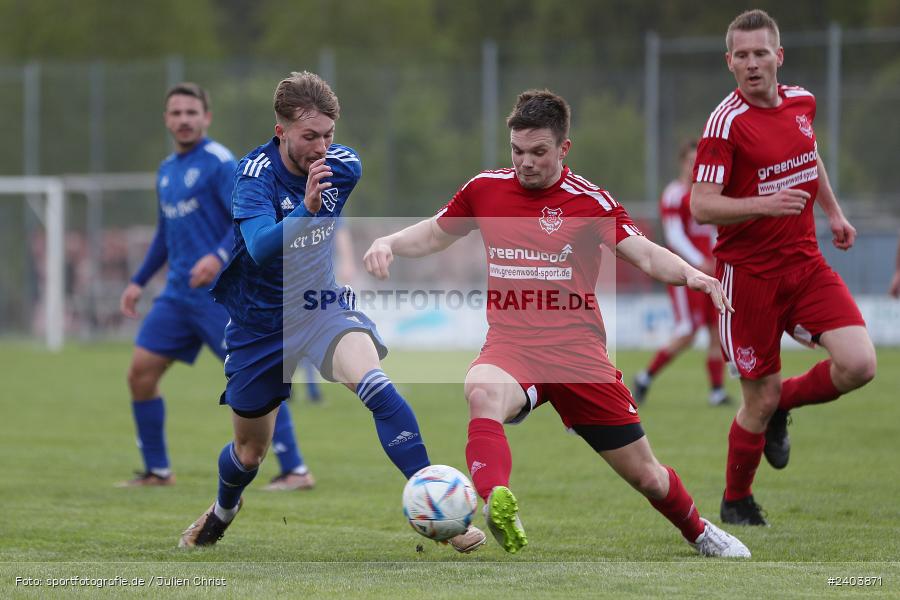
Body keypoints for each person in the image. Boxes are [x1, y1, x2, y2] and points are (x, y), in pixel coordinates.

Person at [363, 89, 750, 558]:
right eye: (517, 151)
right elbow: (433, 232)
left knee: (646, 475)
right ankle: (494, 499)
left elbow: (644, 252)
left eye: (539, 152)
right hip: (511, 346)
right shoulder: (485, 189)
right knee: (481, 391)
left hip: (578, 356)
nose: (526, 162)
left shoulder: (589, 202)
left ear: (564, 148)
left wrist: (693, 274)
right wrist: (389, 241)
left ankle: (698, 530)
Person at [177, 71, 485, 553]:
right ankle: (223, 510)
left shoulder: (346, 166)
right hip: (258, 327)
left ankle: (438, 504)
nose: (321, 148)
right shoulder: (251, 176)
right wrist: (304, 209)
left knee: (376, 386)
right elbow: (258, 247)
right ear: (280, 131)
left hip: (319, 307)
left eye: (328, 136)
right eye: (308, 137)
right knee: (250, 452)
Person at [691, 10, 876, 526]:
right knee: (757, 398)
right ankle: (736, 500)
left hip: (805, 264)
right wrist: (763, 204)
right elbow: (702, 205)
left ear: (779, 56)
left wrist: (833, 212)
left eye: (760, 53)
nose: (752, 64)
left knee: (860, 364)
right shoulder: (724, 125)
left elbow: (808, 155)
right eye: (741, 56)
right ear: (729, 62)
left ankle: (783, 404)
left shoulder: (801, 103)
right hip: (748, 280)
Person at [118, 82, 314, 492]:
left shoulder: (221, 164)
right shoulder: (167, 169)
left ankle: (295, 469)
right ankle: (158, 469)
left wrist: (217, 256)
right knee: (140, 374)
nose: (184, 120)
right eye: (176, 113)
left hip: (221, 293)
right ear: (167, 120)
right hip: (176, 295)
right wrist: (138, 281)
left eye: (192, 112)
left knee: (257, 377)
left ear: (206, 118)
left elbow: (244, 219)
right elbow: (164, 233)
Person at [633, 139, 730, 406]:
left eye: (698, 163)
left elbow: (712, 231)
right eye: (690, 162)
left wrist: (716, 259)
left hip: (709, 270)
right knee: (687, 330)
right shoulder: (674, 194)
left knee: (715, 329)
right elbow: (674, 236)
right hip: (686, 273)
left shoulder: (706, 195)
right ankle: (645, 377)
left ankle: (717, 391)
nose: (694, 168)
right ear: (681, 163)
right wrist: (698, 262)